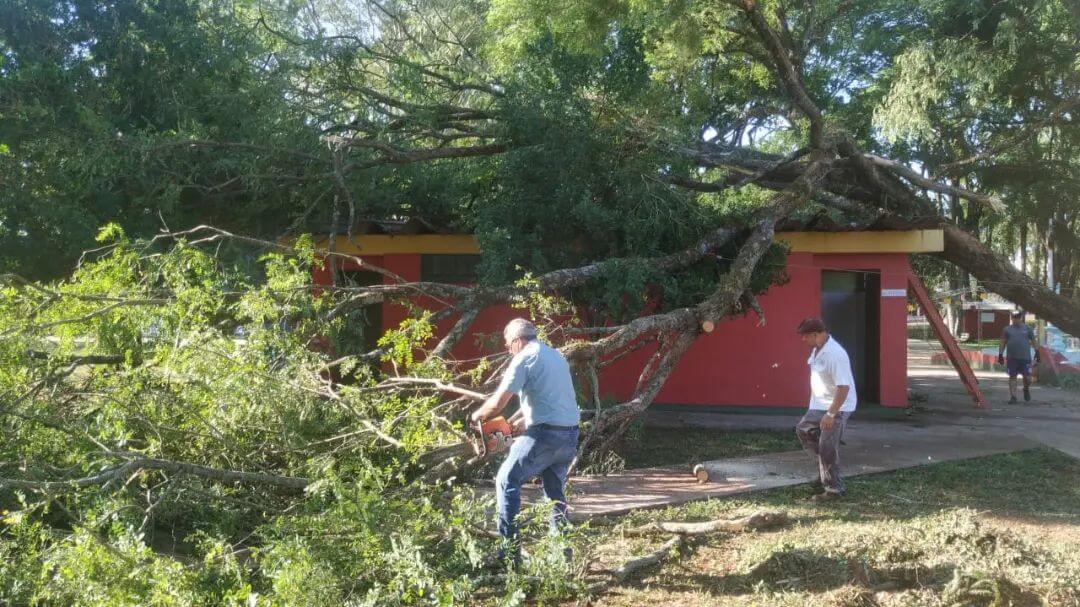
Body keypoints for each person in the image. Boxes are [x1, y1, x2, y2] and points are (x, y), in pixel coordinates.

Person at [470, 318, 580, 568]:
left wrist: (476, 416)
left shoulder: (523, 358)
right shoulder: (555, 356)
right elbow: (550, 398)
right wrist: (520, 419)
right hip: (569, 435)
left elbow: (497, 403)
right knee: (554, 493)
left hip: (544, 435)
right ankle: (563, 555)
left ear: (517, 341)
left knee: (506, 480)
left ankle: (509, 555)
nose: (509, 350)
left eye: (509, 345)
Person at [794, 317, 857, 503]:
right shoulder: (817, 349)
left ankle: (833, 490)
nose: (802, 340)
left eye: (805, 336)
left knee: (827, 447)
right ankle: (826, 469)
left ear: (816, 334)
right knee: (803, 431)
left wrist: (831, 414)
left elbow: (844, 388)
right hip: (819, 404)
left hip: (838, 406)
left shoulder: (835, 354)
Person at [998, 311, 1039, 404]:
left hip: (1025, 358)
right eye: (1013, 317)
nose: (1015, 319)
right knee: (1012, 377)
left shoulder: (1028, 329)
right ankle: (1013, 397)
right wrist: (1000, 354)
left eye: (1017, 317)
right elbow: (1003, 342)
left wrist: (1037, 352)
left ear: (1020, 318)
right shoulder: (1007, 329)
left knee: (1028, 378)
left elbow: (1033, 341)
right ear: (1011, 318)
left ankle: (1026, 389)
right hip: (1012, 358)